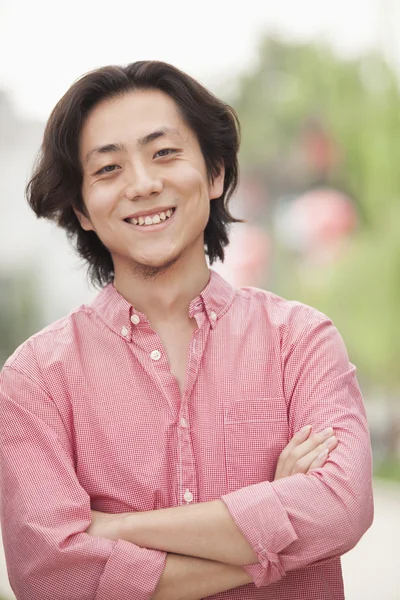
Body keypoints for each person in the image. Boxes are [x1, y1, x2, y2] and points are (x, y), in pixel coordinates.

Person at [0, 61, 373, 600]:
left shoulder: (299, 339)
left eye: (164, 153)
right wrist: (274, 531)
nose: (143, 184)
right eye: (108, 169)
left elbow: (342, 507)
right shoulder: (36, 378)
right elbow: (47, 574)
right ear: (81, 207)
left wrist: (111, 531)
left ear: (216, 173)